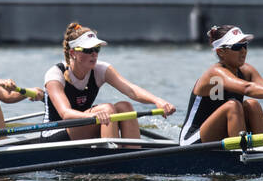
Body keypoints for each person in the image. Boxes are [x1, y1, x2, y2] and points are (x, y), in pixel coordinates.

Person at [179, 25, 263, 144]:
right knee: (232, 106)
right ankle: (240, 154)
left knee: (252, 105)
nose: (243, 51)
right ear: (221, 52)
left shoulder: (247, 71)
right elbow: (247, 88)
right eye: (237, 46)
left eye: (245, 45)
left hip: (221, 137)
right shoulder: (214, 73)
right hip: (192, 140)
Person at [43, 23, 175, 140]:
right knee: (107, 109)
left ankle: (133, 154)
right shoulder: (55, 74)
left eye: (97, 49)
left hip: (83, 126)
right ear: (73, 53)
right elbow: (65, 113)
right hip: (55, 132)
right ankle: (113, 154)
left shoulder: (100, 69)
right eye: (88, 50)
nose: (94, 54)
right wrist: (95, 115)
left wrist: (157, 101)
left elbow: (131, 90)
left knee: (125, 107)